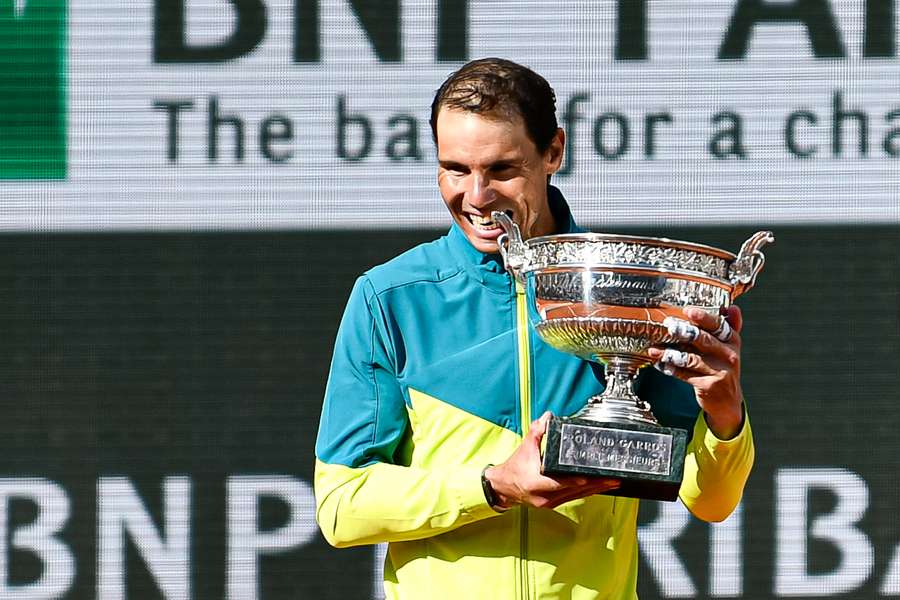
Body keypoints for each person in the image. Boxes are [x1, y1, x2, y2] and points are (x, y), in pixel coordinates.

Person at [314, 58, 754, 599]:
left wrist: (725, 414)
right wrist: (494, 485)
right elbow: (342, 506)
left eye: (502, 170)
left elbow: (712, 501)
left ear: (553, 152)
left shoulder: (625, 291)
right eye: (454, 168)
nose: (476, 197)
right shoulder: (390, 298)